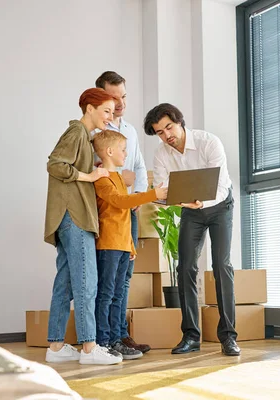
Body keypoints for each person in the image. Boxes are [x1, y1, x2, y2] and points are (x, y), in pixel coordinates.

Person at [143, 103, 240, 356]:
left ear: (179, 122)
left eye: (169, 127)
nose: (167, 135)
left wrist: (201, 202)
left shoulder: (209, 143)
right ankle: (191, 336)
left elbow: (219, 186)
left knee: (221, 265)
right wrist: (168, 199)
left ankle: (228, 337)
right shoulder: (162, 154)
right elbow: (165, 189)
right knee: (185, 266)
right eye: (160, 132)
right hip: (190, 209)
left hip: (220, 205)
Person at [44, 88, 122, 365]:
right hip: (74, 215)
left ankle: (55, 347)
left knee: (65, 284)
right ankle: (89, 348)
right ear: (89, 108)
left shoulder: (84, 139)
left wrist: (91, 170)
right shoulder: (76, 132)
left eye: (113, 113)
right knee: (87, 282)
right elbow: (55, 165)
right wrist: (88, 175)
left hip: (68, 217)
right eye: (106, 111)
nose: (110, 117)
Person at [91, 130, 167, 360]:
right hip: (108, 245)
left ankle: (116, 339)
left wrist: (131, 247)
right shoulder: (102, 179)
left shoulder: (118, 179)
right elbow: (120, 202)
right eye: (123, 150)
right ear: (110, 151)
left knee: (116, 295)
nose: (126, 154)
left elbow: (124, 218)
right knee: (105, 294)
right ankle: (102, 342)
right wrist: (153, 193)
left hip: (122, 245)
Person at [94, 71, 151, 354]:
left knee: (125, 277)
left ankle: (120, 334)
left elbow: (138, 167)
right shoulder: (95, 133)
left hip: (131, 210)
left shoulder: (130, 131)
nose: (120, 103)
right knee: (107, 282)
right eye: (114, 98)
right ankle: (107, 339)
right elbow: (99, 173)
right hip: (108, 215)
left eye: (123, 96)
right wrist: (122, 182)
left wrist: (137, 195)